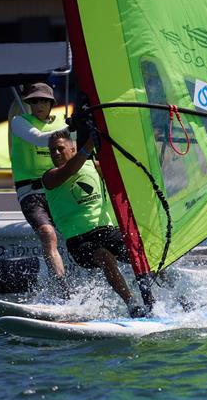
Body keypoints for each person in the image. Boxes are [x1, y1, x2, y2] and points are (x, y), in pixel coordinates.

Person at [43, 132, 147, 318]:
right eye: (53, 150)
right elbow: (70, 170)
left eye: (60, 148)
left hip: (107, 231)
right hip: (79, 240)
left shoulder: (95, 166)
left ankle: (173, 295)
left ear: (72, 149)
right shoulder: (50, 177)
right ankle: (132, 305)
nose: (56, 153)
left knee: (141, 252)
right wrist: (89, 144)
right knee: (104, 256)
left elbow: (122, 173)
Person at [9, 83, 69, 297]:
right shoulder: (20, 123)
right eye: (34, 101)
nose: (39, 105)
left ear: (51, 103)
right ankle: (63, 292)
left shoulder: (62, 122)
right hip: (30, 191)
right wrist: (74, 129)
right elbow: (39, 138)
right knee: (47, 233)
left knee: (80, 238)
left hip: (60, 188)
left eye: (43, 100)